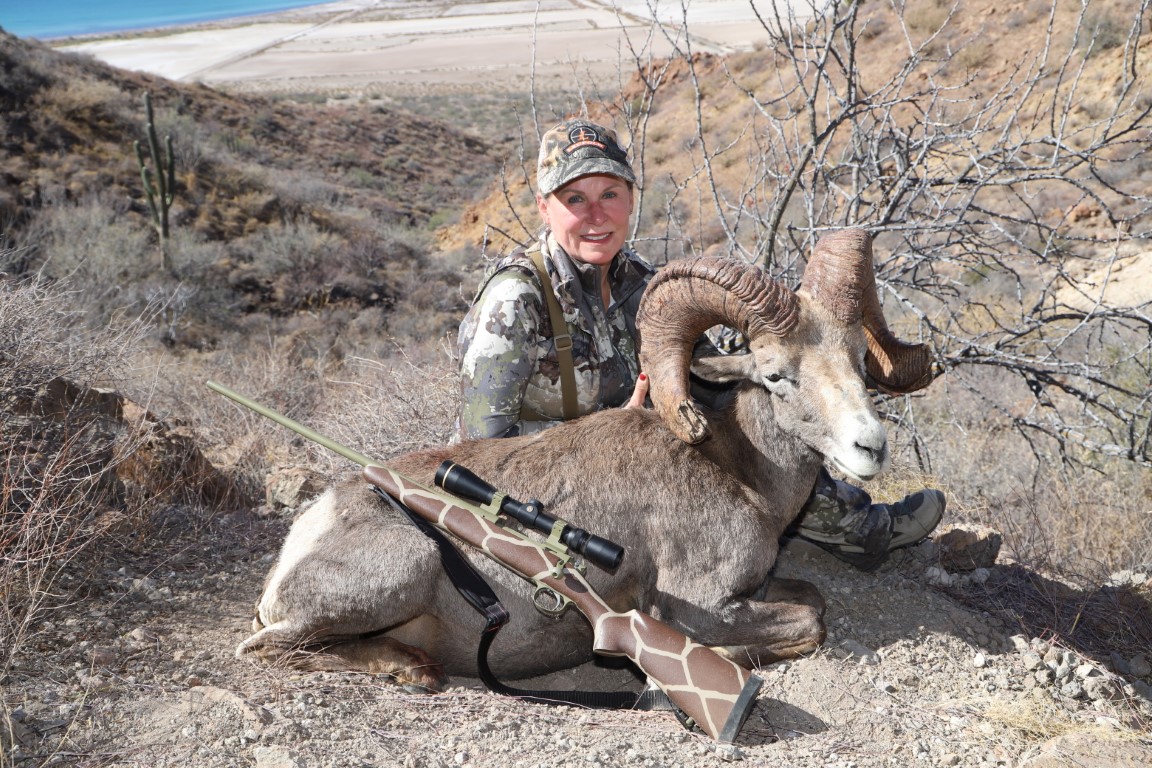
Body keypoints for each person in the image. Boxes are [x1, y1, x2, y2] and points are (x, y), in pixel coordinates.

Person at [455, 117, 943, 571]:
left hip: (640, 465)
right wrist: (597, 433)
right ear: (545, 208)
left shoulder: (645, 287)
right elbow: (483, 451)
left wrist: (794, 360)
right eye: (575, 199)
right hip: (551, 492)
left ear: (630, 199)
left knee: (754, 418)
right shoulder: (515, 299)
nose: (596, 214)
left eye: (610, 193)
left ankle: (854, 527)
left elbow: (711, 384)